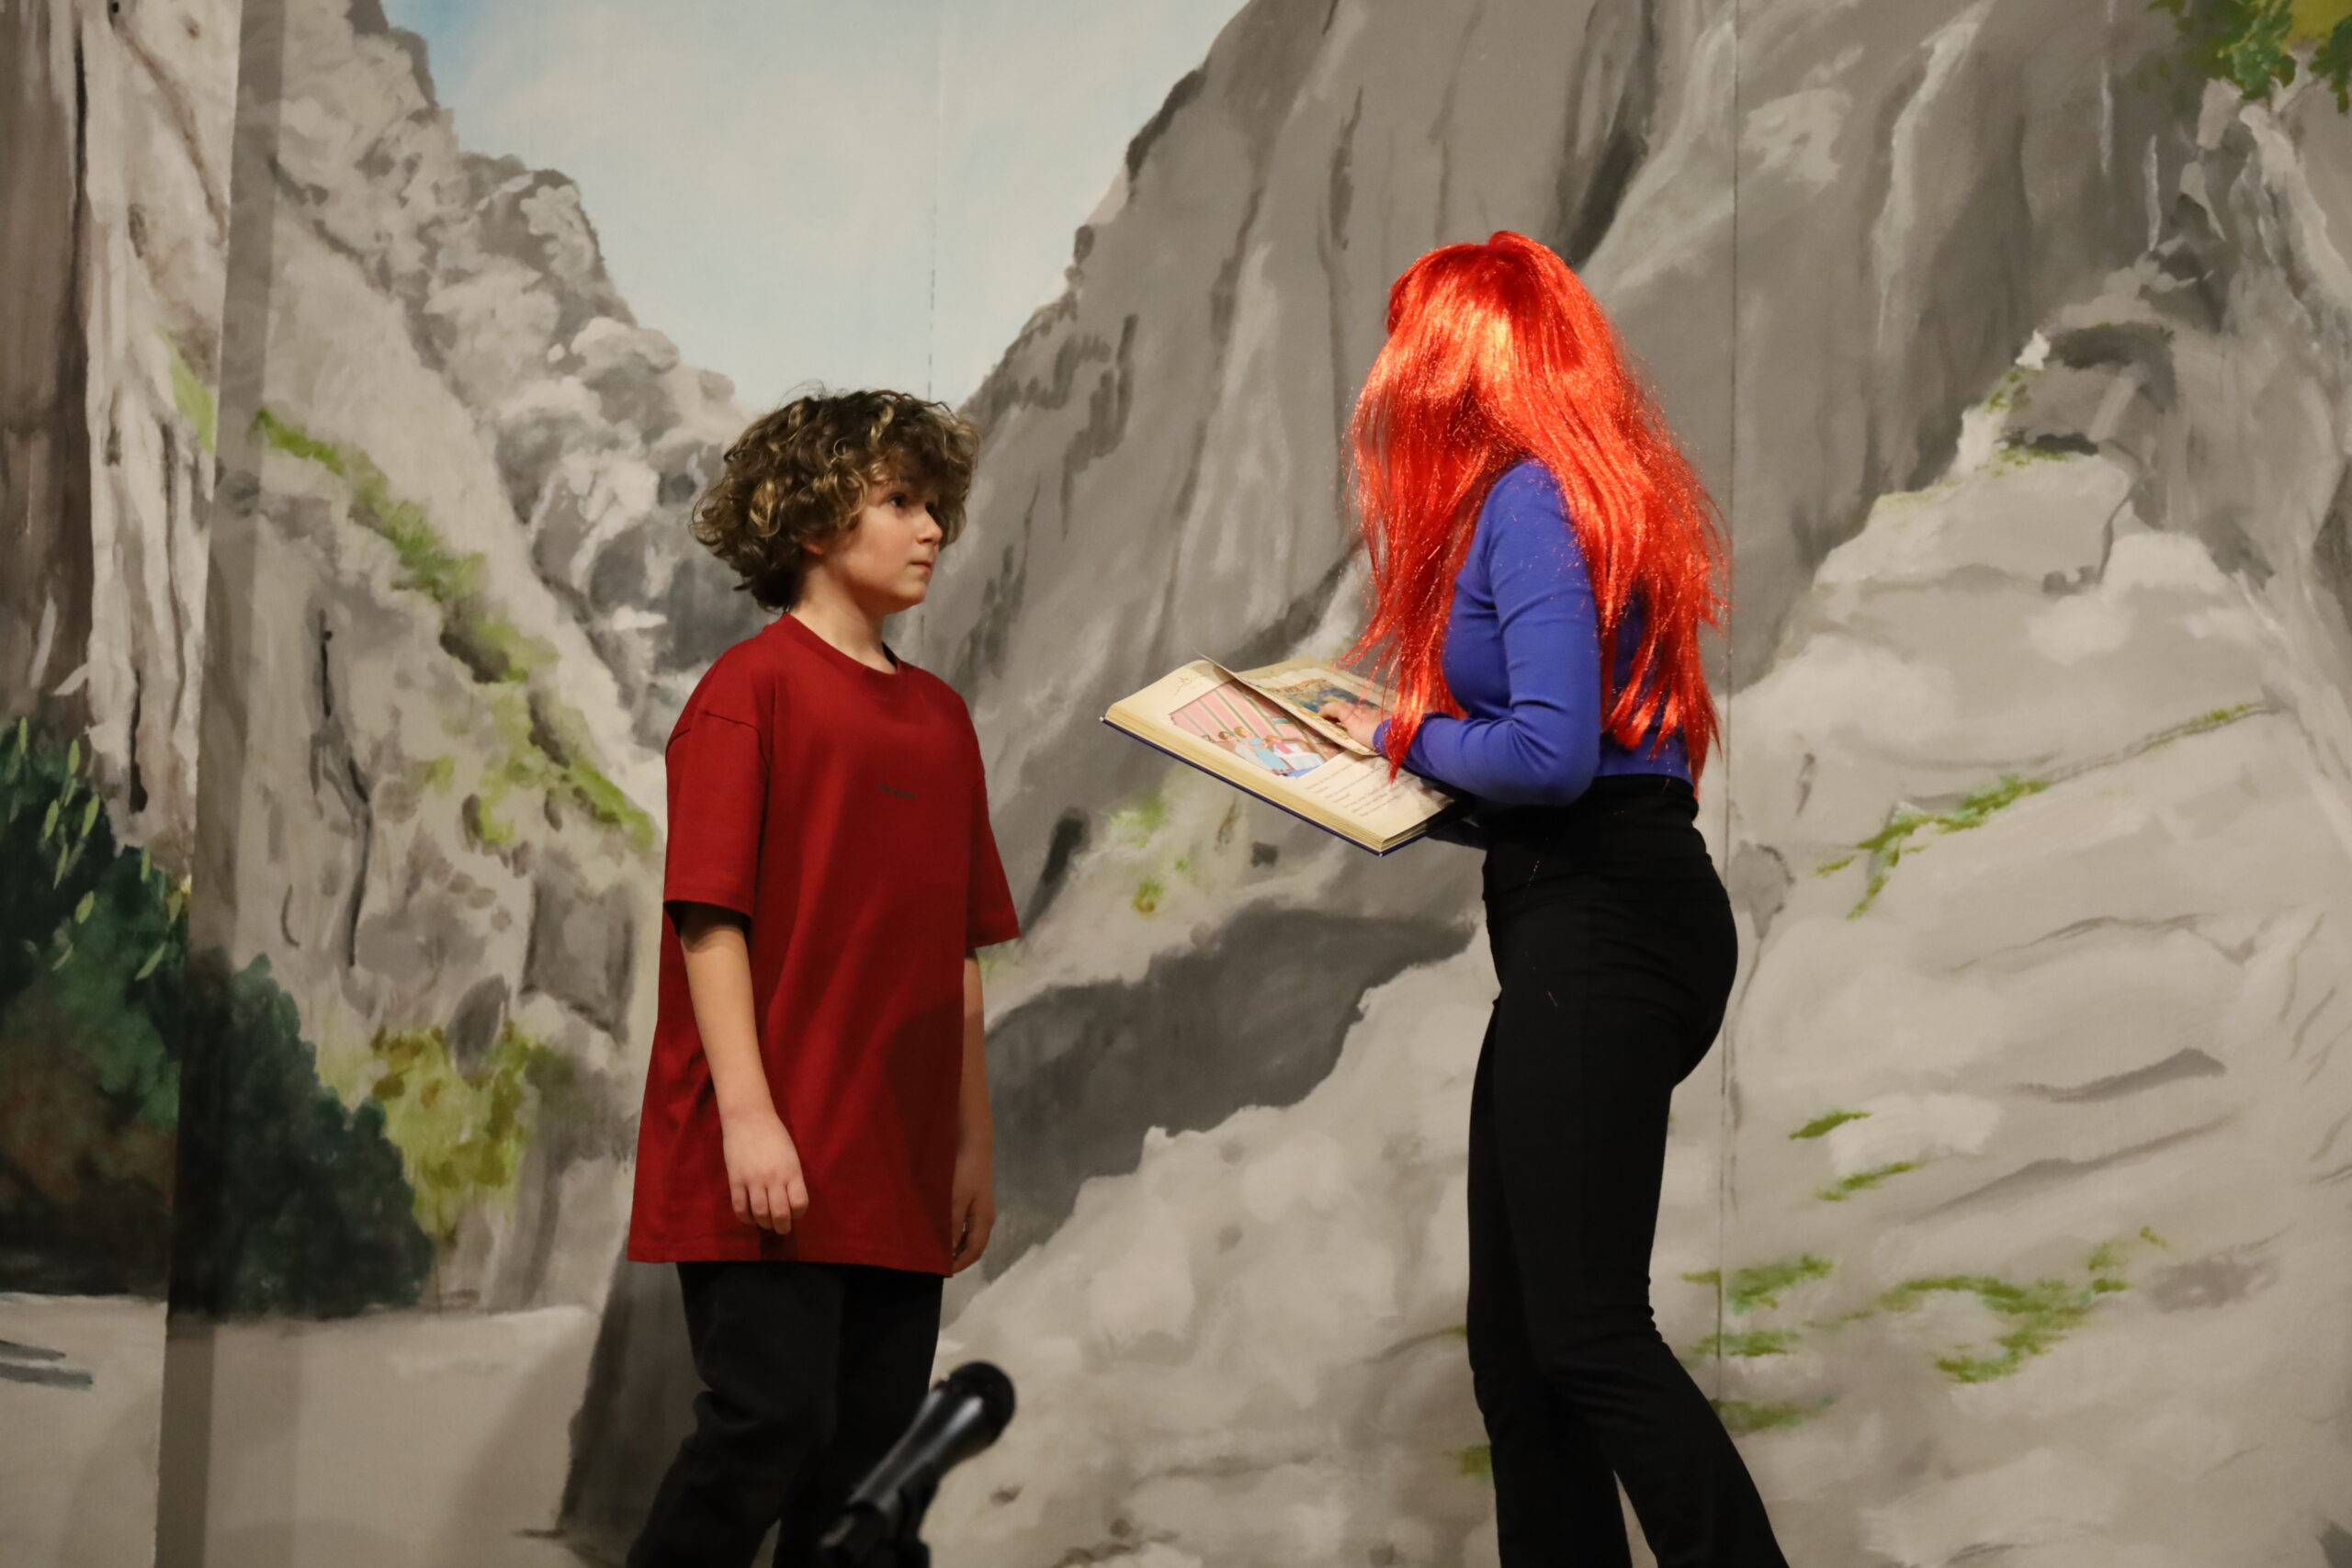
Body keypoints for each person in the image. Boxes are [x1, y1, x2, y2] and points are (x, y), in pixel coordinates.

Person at [1327, 233, 1790, 1567]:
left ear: (1457, 359)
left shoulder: (1530, 499)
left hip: (1602, 916)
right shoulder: (1565, 494)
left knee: (1581, 1332)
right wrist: (1390, 773)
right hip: (1586, 912)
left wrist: (1393, 734)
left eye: (1409, 346)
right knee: (1523, 1353)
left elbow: (1550, 757)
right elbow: (1565, 771)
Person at [625, 389, 1022, 1568]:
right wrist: (749, 1121)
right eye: (898, 500)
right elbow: (709, 923)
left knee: (868, 1480)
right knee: (768, 1429)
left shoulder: (942, 721)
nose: (930, 528)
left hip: (894, 1160)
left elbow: (955, 957)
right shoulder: (748, 692)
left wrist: (970, 1144)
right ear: (810, 520)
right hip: (771, 1153)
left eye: (934, 505)